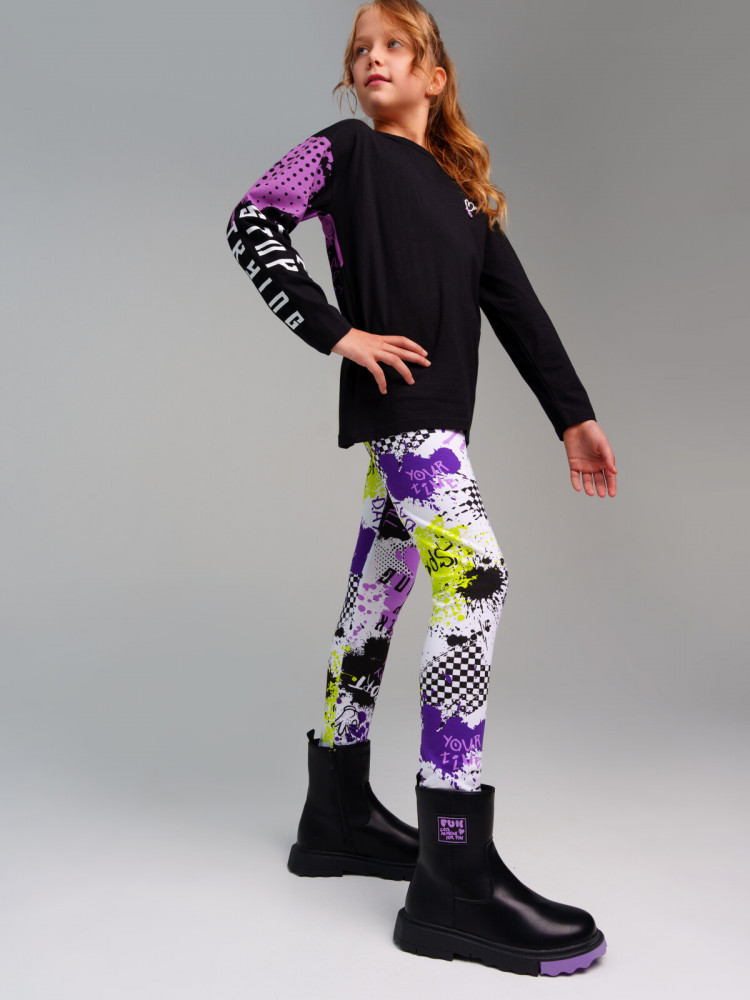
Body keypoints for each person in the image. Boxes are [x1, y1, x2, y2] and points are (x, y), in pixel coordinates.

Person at [226, 0, 615, 978]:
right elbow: (252, 220)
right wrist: (335, 332)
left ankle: (336, 814)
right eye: (360, 49)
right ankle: (454, 870)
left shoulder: (466, 199)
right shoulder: (347, 152)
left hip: (438, 422)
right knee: (474, 580)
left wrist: (573, 416)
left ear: (435, 77)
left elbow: (521, 313)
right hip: (407, 417)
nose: (373, 58)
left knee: (377, 598)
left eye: (394, 45)